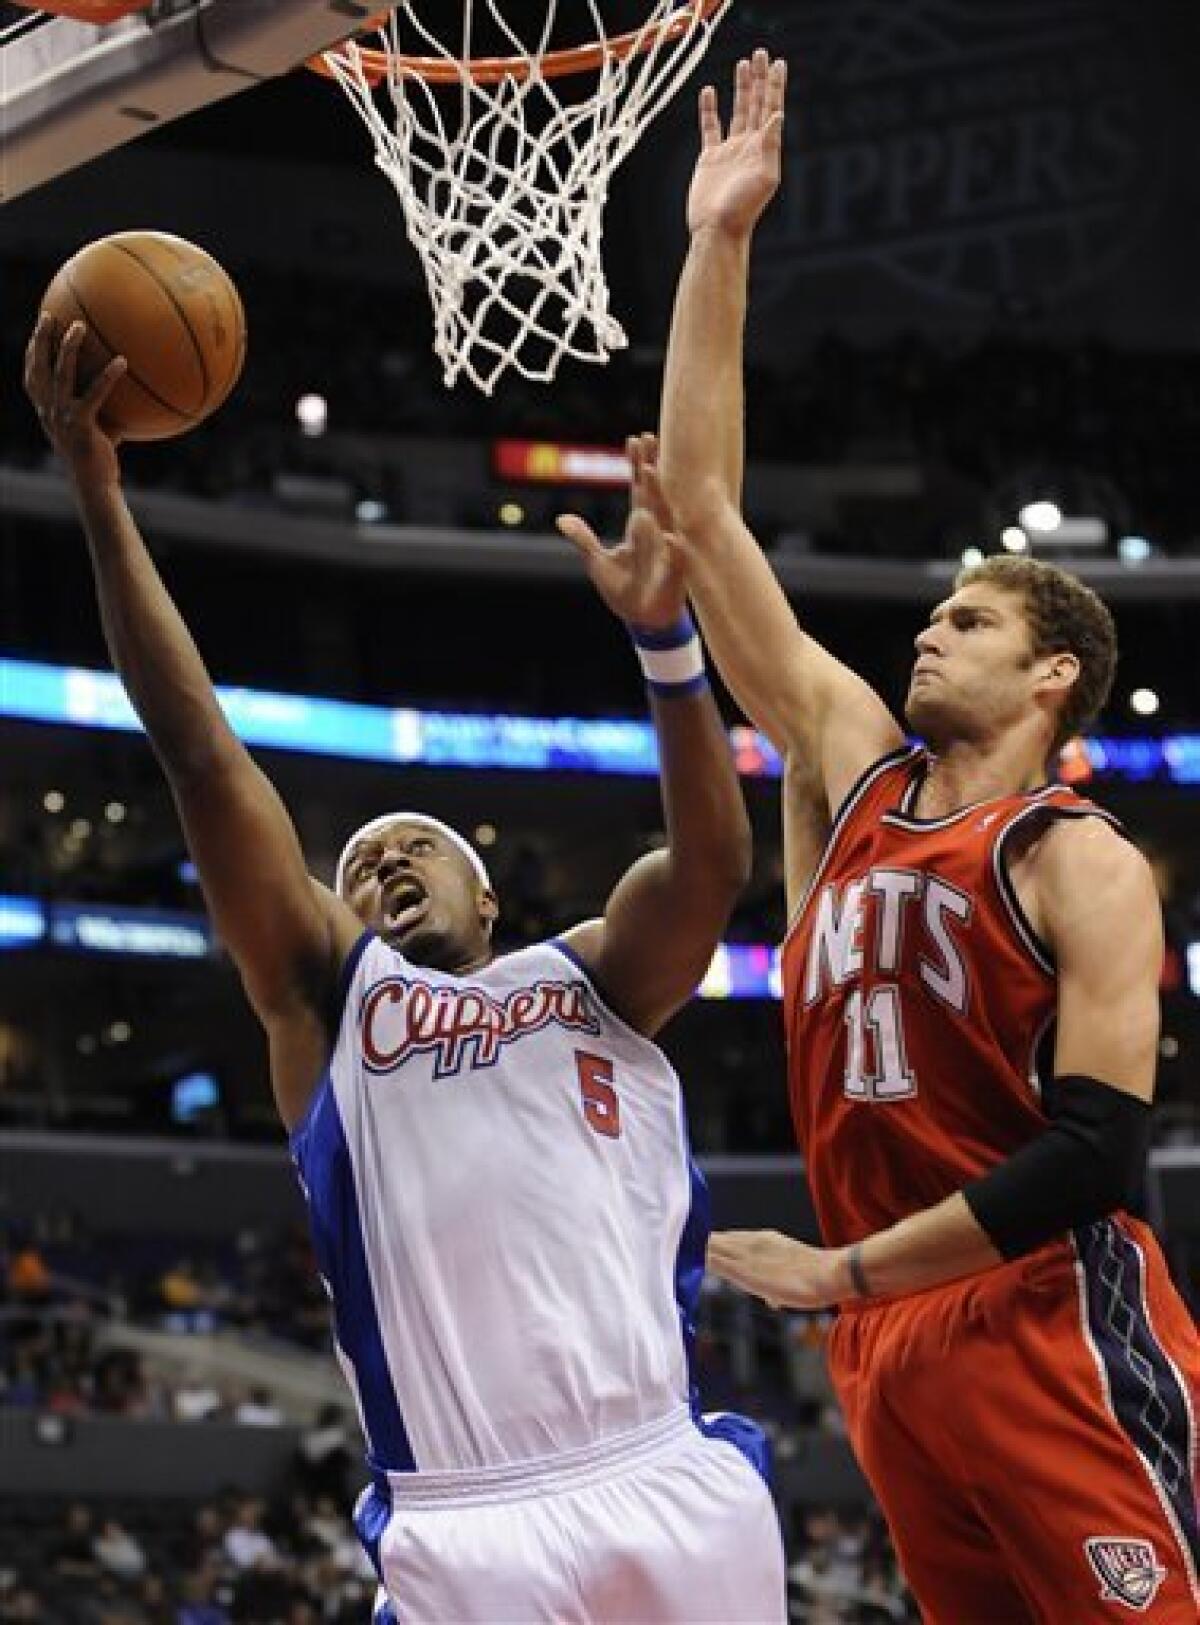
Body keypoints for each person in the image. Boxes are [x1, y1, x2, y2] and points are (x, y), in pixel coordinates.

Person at [24, 316, 786, 1623]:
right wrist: (98, 500)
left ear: (488, 886)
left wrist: (669, 652)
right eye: (359, 859)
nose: (378, 865)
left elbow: (713, 865)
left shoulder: (593, 977)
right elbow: (203, 751)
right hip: (466, 1516)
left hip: (663, 1471)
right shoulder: (332, 998)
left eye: (412, 844)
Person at [656, 48, 1200, 1624]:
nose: (927, 634)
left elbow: (1098, 1149)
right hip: (888, 1347)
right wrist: (722, 239)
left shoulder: (1077, 857)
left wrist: (843, 1268)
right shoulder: (855, 777)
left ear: (1053, 672)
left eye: (967, 619)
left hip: (1044, 1316)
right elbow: (698, 506)